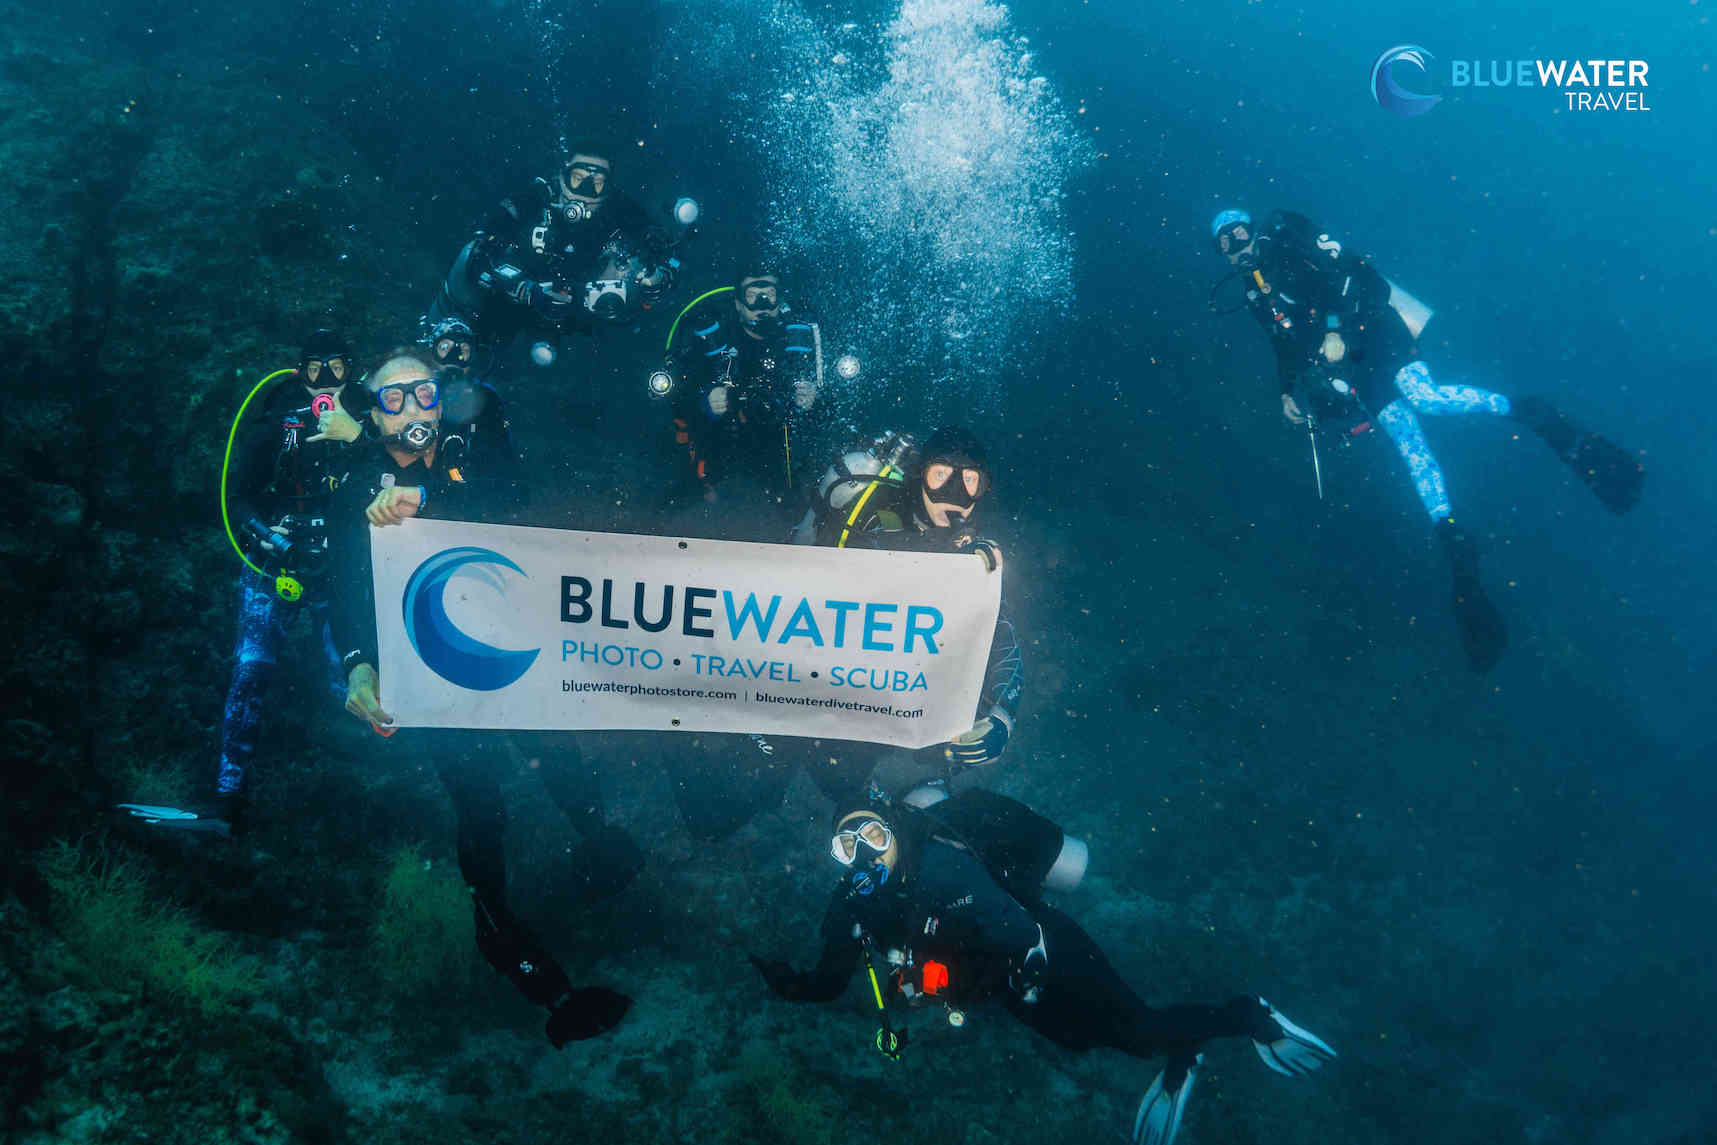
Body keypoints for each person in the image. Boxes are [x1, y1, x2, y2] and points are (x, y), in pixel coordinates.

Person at [326, 347, 636, 1045]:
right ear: (373, 415)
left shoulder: (478, 445)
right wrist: (356, 668)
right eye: (393, 399)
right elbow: (343, 591)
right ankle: (514, 949)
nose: (412, 411)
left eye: (424, 394)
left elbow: (515, 509)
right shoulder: (352, 489)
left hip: (511, 650)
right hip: (431, 671)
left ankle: (599, 847)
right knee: (479, 799)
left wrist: (430, 501)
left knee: (556, 753)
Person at [749, 791, 1337, 1145]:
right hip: (1006, 985)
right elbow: (831, 979)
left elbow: (1013, 929)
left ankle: (1245, 1015)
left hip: (1047, 949)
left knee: (1136, 1033)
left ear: (893, 831)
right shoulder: (854, 903)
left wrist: (1003, 974)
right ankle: (1184, 1045)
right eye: (847, 848)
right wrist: (793, 984)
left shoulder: (943, 873)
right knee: (1082, 1041)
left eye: (871, 835)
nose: (865, 856)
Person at [1210, 207, 1644, 671]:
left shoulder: (1292, 245)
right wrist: (1285, 392)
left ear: (1254, 229)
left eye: (1240, 234)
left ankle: (1536, 415)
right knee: (1409, 445)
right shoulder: (1257, 296)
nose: (1238, 247)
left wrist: (1335, 331)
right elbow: (1283, 345)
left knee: (1426, 398)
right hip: (1353, 366)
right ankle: (1453, 540)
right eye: (1225, 243)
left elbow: (1352, 273)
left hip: (1376, 331)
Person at [668, 426, 1024, 840]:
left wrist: (1002, 715)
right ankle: (670, 733)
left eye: (970, 481)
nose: (955, 493)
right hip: (795, 692)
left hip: (866, 723)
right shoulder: (868, 514)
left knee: (898, 818)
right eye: (941, 475)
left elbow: (1002, 639)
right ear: (919, 474)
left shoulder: (973, 557)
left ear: (984, 490)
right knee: (716, 816)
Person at [119, 330, 367, 837]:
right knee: (250, 671)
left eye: (337, 368)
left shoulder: (370, 423)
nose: (326, 380)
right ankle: (227, 801)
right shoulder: (276, 424)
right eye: (315, 370)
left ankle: (394, 791)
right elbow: (238, 496)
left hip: (340, 565)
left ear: (353, 371)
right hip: (273, 564)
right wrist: (267, 537)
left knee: (352, 674)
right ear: (300, 373)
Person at [427, 142, 679, 367]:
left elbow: (666, 254)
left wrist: (656, 278)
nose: (586, 190)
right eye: (578, 178)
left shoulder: (623, 211)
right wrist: (527, 290)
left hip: (579, 325)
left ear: (609, 189)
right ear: (561, 176)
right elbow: (478, 256)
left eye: (598, 183)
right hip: (507, 306)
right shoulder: (530, 201)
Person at [656, 265, 823, 501]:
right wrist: (706, 401)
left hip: (774, 446)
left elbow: (829, 410)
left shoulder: (796, 340)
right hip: (722, 442)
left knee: (789, 495)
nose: (762, 305)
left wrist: (813, 401)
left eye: (770, 295)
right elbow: (679, 394)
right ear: (737, 304)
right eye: (753, 296)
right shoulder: (715, 336)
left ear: (780, 301)